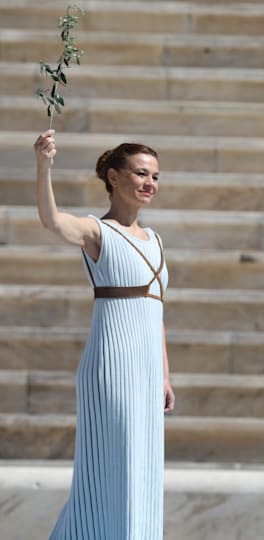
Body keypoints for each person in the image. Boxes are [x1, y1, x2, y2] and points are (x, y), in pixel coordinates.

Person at [35, 129, 174, 539]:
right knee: (107, 472)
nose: (150, 183)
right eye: (141, 173)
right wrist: (44, 166)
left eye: (155, 176)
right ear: (114, 178)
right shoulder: (98, 232)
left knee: (143, 469)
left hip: (147, 372)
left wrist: (165, 376)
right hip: (112, 368)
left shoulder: (156, 240)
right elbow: (52, 221)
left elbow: (156, 311)